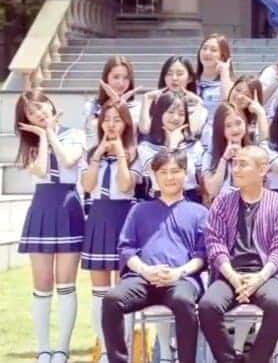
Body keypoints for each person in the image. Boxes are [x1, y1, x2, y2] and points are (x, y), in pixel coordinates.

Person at [102, 149, 208, 363]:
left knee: (183, 301)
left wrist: (178, 273)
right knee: (112, 300)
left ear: (185, 173)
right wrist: (145, 270)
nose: (170, 177)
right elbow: (126, 249)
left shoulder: (199, 212)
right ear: (154, 176)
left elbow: (202, 254)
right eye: (163, 172)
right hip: (142, 279)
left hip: (182, 280)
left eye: (175, 171)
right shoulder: (139, 211)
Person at [199, 146, 278, 363]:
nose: (236, 169)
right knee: (207, 306)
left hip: (268, 275)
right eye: (235, 164)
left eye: (243, 164)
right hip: (230, 273)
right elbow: (214, 243)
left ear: (262, 169)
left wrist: (259, 278)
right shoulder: (222, 201)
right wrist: (233, 277)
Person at [15, 91, 87, 363]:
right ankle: (44, 349)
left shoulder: (75, 134)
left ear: (50, 104)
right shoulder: (29, 143)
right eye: (31, 113)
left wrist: (51, 133)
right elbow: (42, 170)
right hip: (42, 208)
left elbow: (68, 160)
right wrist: (43, 136)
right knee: (42, 283)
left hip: (69, 207)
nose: (39, 114)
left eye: (41, 107)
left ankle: (62, 349)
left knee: (66, 283)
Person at [80, 102, 140, 361]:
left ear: (126, 123)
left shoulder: (135, 152)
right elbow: (87, 185)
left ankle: (123, 349)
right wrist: (98, 154)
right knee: (99, 290)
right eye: (107, 119)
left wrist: (120, 154)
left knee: (122, 289)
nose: (112, 124)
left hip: (124, 217)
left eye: (117, 119)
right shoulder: (93, 153)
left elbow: (126, 185)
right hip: (99, 217)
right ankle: (105, 349)